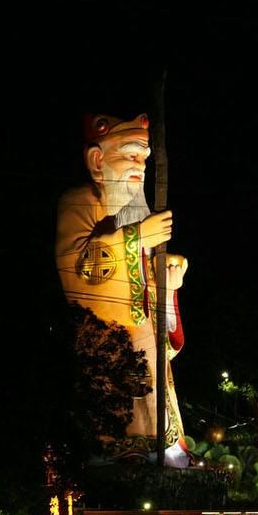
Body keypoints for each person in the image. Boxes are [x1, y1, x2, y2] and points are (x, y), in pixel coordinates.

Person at [55, 112, 190, 467]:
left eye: (144, 157)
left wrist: (167, 285)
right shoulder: (80, 202)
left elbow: (144, 295)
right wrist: (137, 237)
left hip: (146, 345)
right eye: (131, 155)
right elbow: (76, 271)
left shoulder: (133, 211)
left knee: (167, 447)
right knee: (114, 446)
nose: (141, 166)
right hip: (106, 344)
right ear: (97, 160)